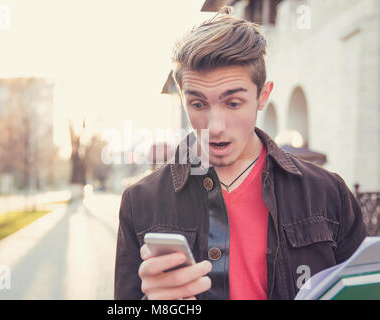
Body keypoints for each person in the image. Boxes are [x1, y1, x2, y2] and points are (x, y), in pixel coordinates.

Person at [114, 6, 366, 300]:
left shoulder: (327, 193)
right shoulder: (140, 201)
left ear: (263, 96)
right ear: (184, 99)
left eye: (233, 103)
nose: (216, 127)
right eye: (198, 105)